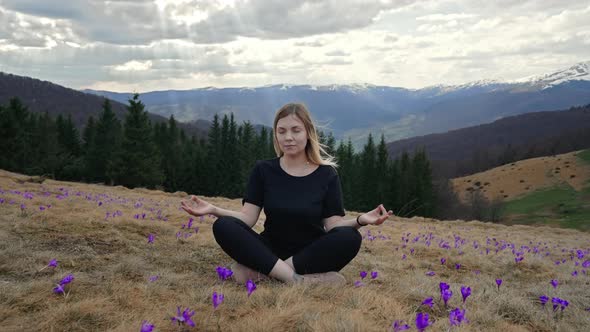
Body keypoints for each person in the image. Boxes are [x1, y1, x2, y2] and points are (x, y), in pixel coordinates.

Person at [181, 103, 393, 285]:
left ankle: (265, 274)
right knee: (223, 225)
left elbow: (333, 226)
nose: (288, 137)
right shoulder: (263, 170)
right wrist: (213, 210)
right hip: (269, 250)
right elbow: (247, 218)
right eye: (281, 131)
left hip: (310, 253)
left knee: (350, 237)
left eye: (295, 130)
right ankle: (299, 281)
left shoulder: (326, 174)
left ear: (308, 133)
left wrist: (361, 220)